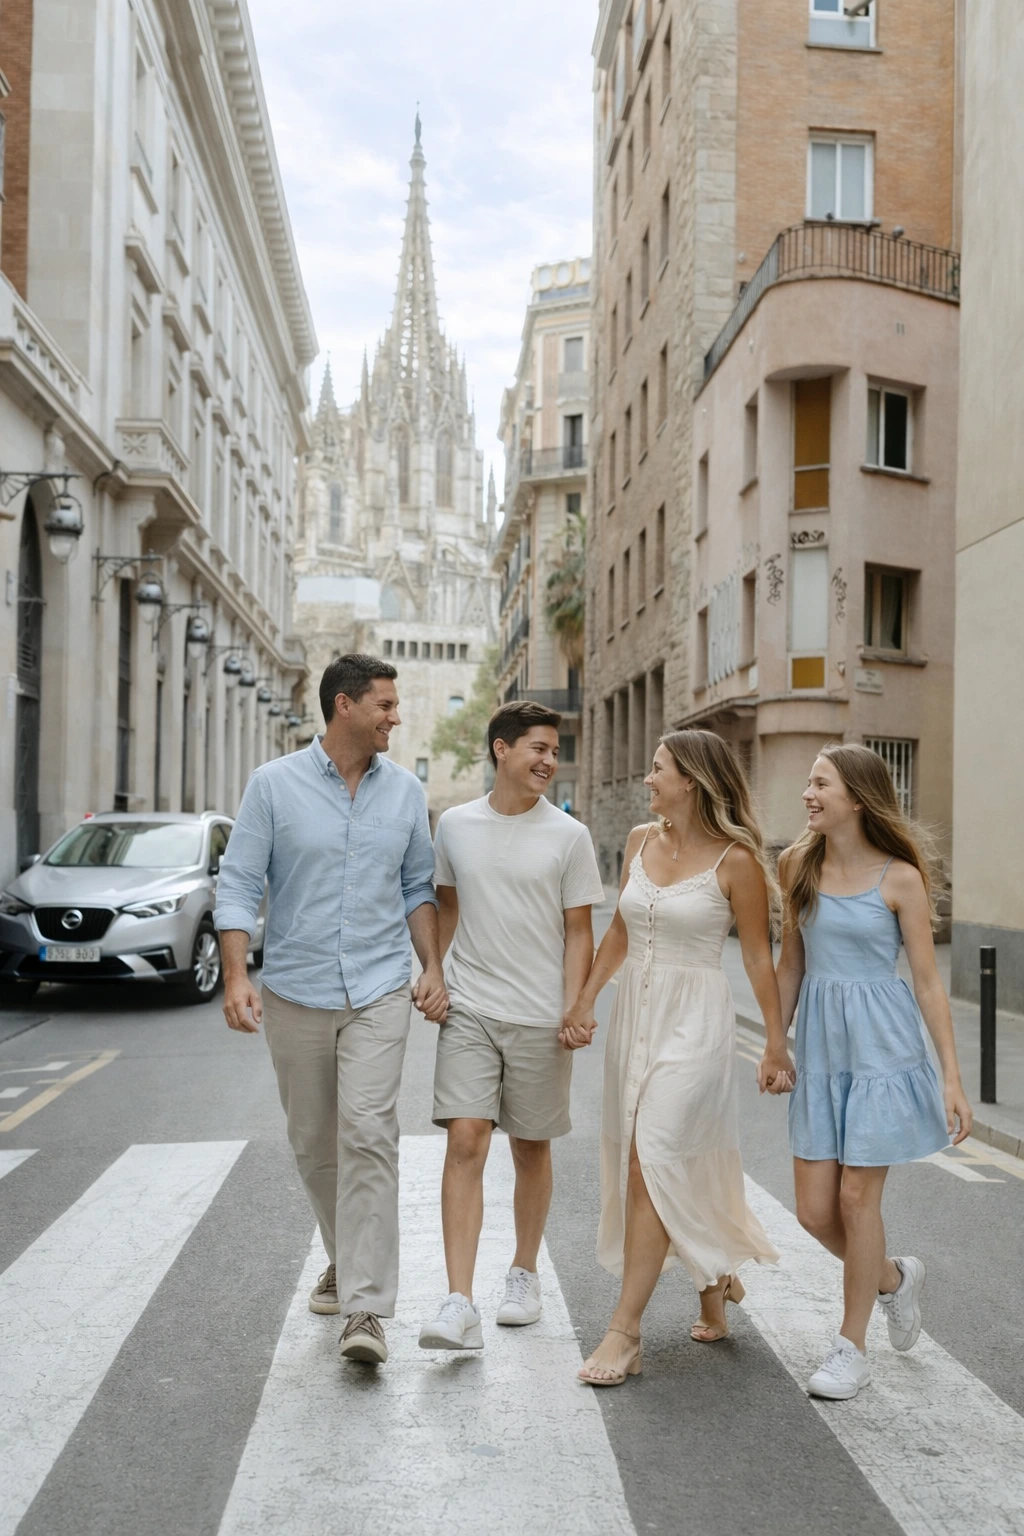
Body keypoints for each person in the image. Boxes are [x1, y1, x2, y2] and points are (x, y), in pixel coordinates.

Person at [215, 654, 448, 1368]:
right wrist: (235, 976)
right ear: (344, 705)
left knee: (370, 1134)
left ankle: (366, 1308)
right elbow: (239, 883)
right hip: (296, 988)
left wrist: (433, 966)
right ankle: (346, 1260)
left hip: (379, 988)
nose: (395, 717)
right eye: (384, 705)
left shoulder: (405, 791)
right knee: (315, 1143)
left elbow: (417, 886)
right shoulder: (273, 785)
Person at [562, 729, 791, 1387]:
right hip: (637, 1016)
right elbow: (619, 931)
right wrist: (585, 1000)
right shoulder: (640, 841)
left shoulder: (737, 861)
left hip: (696, 1022)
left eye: (657, 768)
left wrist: (775, 1041)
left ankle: (625, 1332)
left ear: (690, 779)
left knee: (654, 1156)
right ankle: (713, 1279)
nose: (648, 778)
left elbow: (758, 958)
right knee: (660, 1159)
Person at [775, 744, 972, 1401]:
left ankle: (850, 1347)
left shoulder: (900, 878)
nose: (808, 794)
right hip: (822, 1055)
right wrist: (775, 1043)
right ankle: (893, 1279)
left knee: (858, 1200)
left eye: (821, 784)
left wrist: (951, 1077)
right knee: (813, 1212)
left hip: (883, 1053)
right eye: (809, 783)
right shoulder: (796, 865)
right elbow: (791, 964)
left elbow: (927, 982)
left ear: (857, 798)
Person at [418, 701, 605, 1351]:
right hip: (469, 1007)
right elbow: (446, 907)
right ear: (502, 749)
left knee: (530, 1147)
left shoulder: (569, 836)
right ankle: (458, 1300)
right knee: (465, 1139)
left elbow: (579, 931)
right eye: (538, 748)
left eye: (554, 750)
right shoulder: (455, 826)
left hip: (539, 1016)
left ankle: (524, 1272)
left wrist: (575, 1005)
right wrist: (433, 971)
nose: (550, 760)